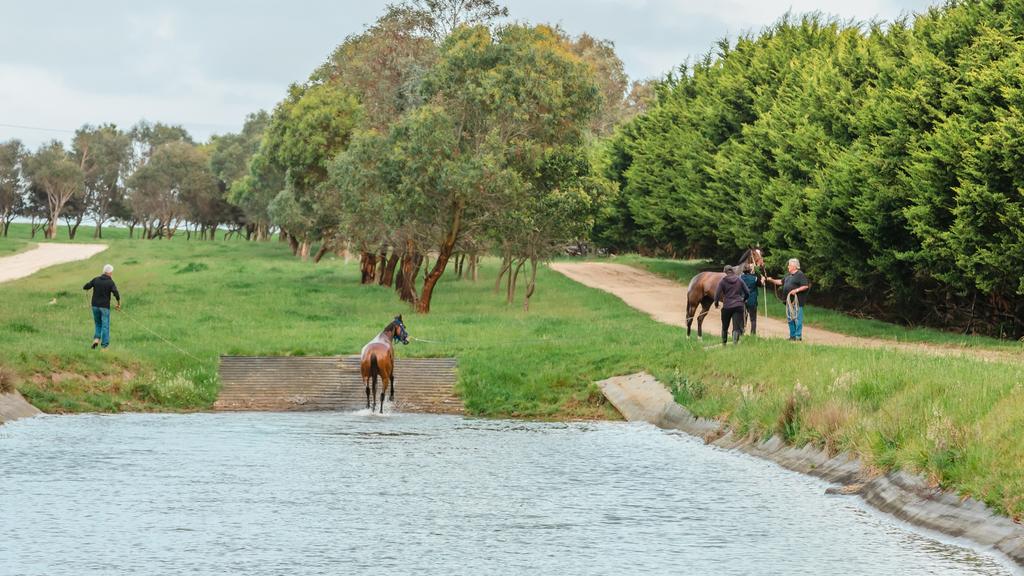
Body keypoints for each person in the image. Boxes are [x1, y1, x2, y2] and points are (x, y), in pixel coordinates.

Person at [766, 258, 810, 341]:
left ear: (794, 266)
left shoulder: (800, 275)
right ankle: (792, 336)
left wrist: (796, 290)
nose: (788, 267)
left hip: (797, 302)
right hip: (788, 302)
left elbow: (805, 286)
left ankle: (798, 336)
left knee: (797, 319)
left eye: (789, 265)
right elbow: (780, 282)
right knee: (790, 319)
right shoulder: (788, 275)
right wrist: (771, 280)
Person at [83, 264, 121, 350]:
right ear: (110, 273)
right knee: (105, 326)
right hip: (104, 307)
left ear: (103, 272)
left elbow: (86, 287)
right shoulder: (110, 282)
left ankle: (96, 339)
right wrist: (118, 303)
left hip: (95, 306)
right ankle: (104, 346)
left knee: (98, 323)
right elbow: (116, 293)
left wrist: (87, 286)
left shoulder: (96, 279)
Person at [714, 265, 749, 346]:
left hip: (727, 306)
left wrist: (716, 303)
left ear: (725, 272)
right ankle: (735, 344)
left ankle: (724, 344)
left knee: (725, 326)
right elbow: (747, 292)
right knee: (736, 327)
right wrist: (743, 299)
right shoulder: (739, 279)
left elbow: (717, 294)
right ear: (732, 271)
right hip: (738, 305)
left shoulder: (723, 281)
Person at [739, 263, 761, 335]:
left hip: (742, 300)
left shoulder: (740, 278)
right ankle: (753, 334)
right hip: (752, 300)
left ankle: (741, 332)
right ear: (750, 270)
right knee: (753, 319)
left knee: (742, 317)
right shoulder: (754, 278)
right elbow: (760, 285)